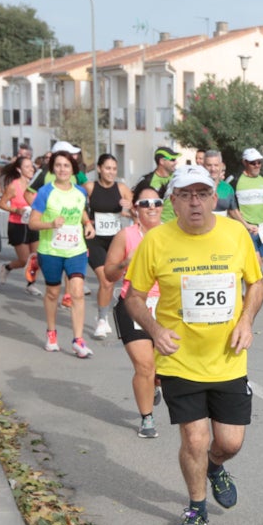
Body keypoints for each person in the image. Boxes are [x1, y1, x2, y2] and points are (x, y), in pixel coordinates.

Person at [123, 164, 263, 525]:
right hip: (179, 360)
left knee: (229, 442)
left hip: (228, 358)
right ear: (174, 201)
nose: (195, 202)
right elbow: (134, 297)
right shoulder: (156, 241)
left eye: (202, 194)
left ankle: (215, 466)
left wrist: (246, 320)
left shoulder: (235, 234)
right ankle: (197, 508)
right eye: (186, 195)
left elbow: (256, 283)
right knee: (195, 439)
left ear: (214, 198)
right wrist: (155, 330)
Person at [102, 180, 167, 439]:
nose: (152, 207)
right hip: (133, 304)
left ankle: (156, 382)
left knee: (161, 369)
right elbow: (108, 273)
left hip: (167, 306)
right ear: (135, 209)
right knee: (144, 365)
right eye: (145, 203)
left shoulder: (173, 234)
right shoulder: (126, 236)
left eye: (156, 202)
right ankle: (147, 418)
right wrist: (125, 263)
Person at [28, 149, 94, 356]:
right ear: (52, 168)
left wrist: (88, 224)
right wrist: (50, 224)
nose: (62, 169)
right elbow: (32, 223)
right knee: (53, 293)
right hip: (51, 251)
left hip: (76, 250)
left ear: (73, 169)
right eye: (58, 165)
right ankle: (51, 333)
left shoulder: (80, 192)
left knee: (77, 291)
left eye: (66, 165)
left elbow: (81, 211)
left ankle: (78, 340)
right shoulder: (45, 192)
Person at [86, 153, 132, 339]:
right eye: (107, 168)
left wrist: (129, 207)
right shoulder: (90, 187)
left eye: (114, 169)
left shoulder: (121, 188)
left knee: (111, 280)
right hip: (95, 240)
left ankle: (103, 316)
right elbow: (77, 207)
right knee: (105, 280)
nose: (111, 172)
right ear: (99, 169)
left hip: (115, 241)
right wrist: (86, 222)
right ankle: (102, 320)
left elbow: (138, 211)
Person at [0, 156, 40, 294]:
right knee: (24, 260)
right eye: (27, 167)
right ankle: (7, 267)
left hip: (33, 223)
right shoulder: (13, 186)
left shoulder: (36, 185)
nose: (31, 169)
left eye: (31, 166)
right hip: (17, 225)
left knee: (35, 258)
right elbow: (2, 204)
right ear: (19, 169)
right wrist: (16, 210)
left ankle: (31, 284)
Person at [233, 147, 263, 262]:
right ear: (245, 162)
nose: (257, 165)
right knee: (256, 262)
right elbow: (230, 207)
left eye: (259, 162)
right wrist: (245, 224)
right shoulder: (236, 180)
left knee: (259, 263)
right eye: (253, 163)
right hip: (246, 228)